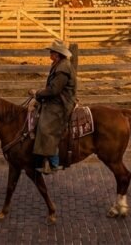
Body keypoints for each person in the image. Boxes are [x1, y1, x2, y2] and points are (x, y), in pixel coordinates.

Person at [29, 40, 77, 174]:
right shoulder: (59, 64)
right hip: (57, 99)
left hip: (62, 102)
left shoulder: (63, 68)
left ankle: (53, 161)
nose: (50, 53)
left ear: (58, 54)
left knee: (46, 126)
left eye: (52, 51)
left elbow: (54, 90)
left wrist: (37, 93)